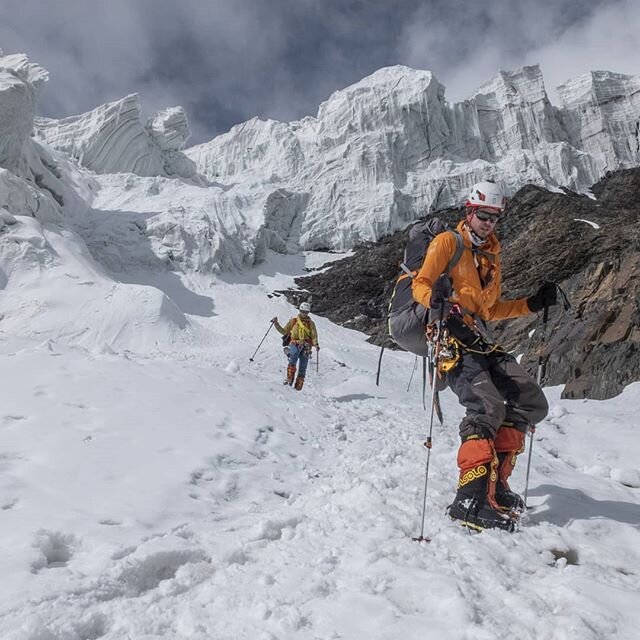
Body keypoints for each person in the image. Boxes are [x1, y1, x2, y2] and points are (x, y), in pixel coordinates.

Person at [412, 180, 557, 532]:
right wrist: (436, 299)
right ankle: (469, 499)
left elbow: (489, 310)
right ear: (469, 212)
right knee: (487, 406)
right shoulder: (448, 242)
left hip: (478, 336)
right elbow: (421, 283)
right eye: (483, 216)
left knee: (530, 400)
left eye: (494, 217)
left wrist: (531, 305)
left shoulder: (492, 254)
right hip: (450, 337)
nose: (488, 223)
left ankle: (494, 484)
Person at [271, 302, 320, 391]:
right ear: (300, 310)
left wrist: (316, 344)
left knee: (303, 366)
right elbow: (284, 331)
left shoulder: (311, 324)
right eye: (302, 311)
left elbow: (314, 335)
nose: (304, 314)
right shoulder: (293, 321)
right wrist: (276, 324)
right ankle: (289, 379)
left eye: (306, 312)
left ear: (308, 312)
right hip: (295, 343)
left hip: (306, 346)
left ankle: (298, 387)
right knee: (294, 356)